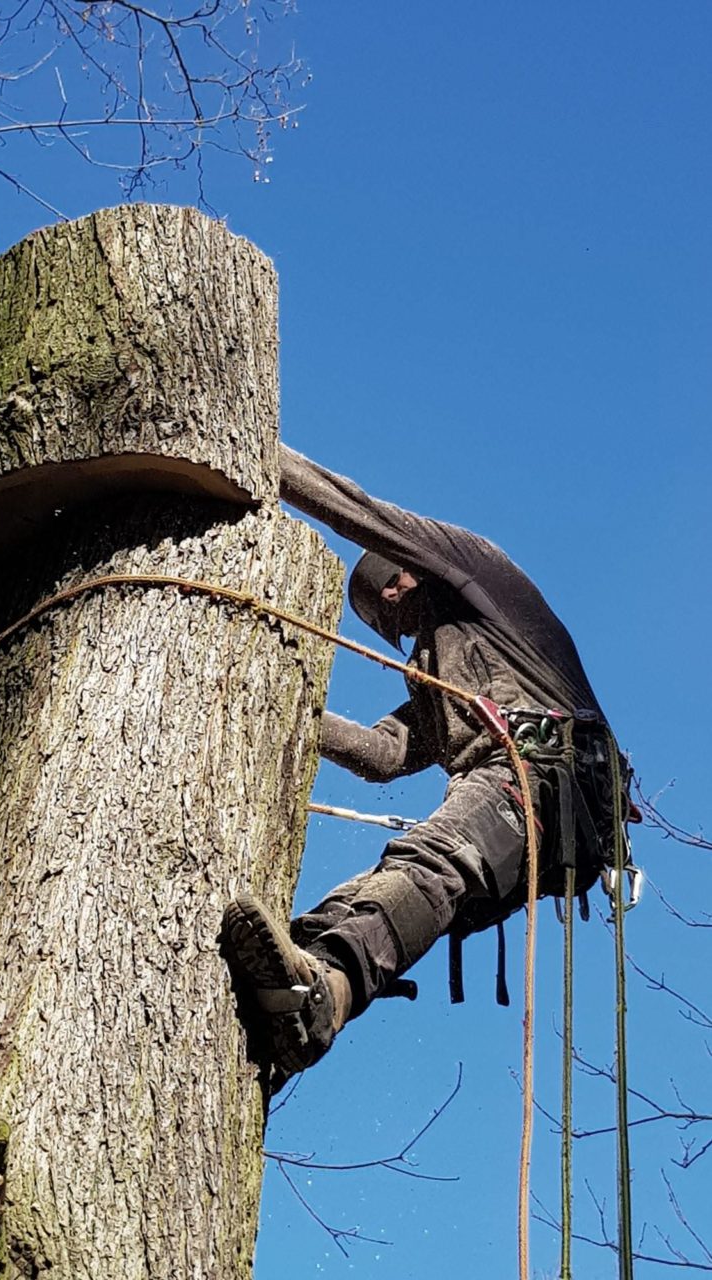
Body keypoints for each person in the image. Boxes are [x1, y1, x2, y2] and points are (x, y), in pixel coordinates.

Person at [222, 445, 635, 1086]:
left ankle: (321, 996)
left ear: (401, 576)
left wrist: (247, 447)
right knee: (390, 882)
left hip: (545, 774)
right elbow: (385, 752)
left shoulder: (480, 582)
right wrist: (286, 709)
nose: (393, 626)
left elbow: (353, 509)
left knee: (430, 863)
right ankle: (300, 977)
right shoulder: (439, 674)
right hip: (528, 813)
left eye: (385, 606)